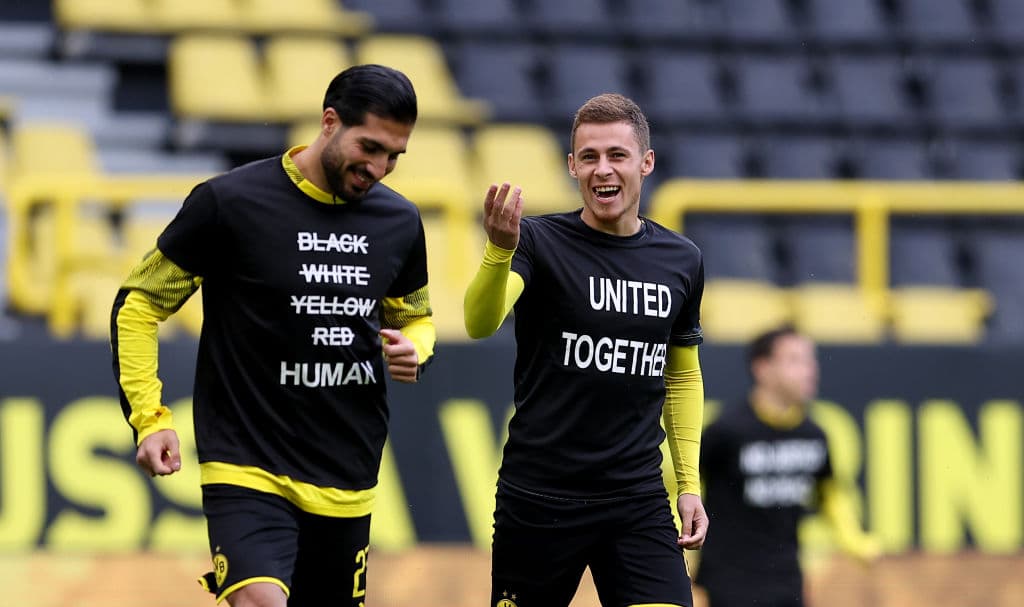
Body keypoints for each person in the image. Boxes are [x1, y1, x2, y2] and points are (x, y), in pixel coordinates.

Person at [110, 64, 435, 607]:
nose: (379, 168)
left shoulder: (399, 221)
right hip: (247, 463)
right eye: (370, 147)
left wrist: (416, 348)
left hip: (347, 472)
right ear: (329, 122)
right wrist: (149, 417)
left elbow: (416, 319)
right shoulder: (229, 202)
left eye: (394, 156)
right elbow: (139, 302)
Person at [464, 93, 708, 607]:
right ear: (572, 166)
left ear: (646, 162)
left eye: (618, 155)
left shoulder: (681, 259)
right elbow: (480, 323)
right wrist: (498, 251)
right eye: (590, 157)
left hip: (636, 500)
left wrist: (688, 484)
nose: (603, 170)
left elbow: (682, 375)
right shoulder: (537, 241)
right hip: (540, 499)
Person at [696, 325, 880, 607]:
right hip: (731, 578)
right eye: (795, 360)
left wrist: (854, 540)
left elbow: (829, 493)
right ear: (763, 368)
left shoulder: (813, 434)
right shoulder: (726, 431)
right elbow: (687, 485)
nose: (810, 370)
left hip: (787, 577)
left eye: (811, 360)